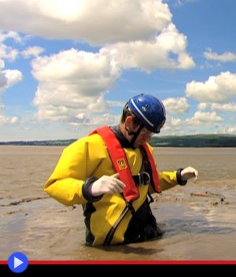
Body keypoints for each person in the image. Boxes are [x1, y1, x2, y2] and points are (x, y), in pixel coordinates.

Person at [44, 93, 199, 246]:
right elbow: (55, 185)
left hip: (147, 235)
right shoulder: (89, 146)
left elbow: (148, 185)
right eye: (145, 132)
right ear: (130, 122)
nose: (148, 138)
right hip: (111, 245)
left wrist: (179, 176)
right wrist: (89, 188)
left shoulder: (145, 150)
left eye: (152, 133)